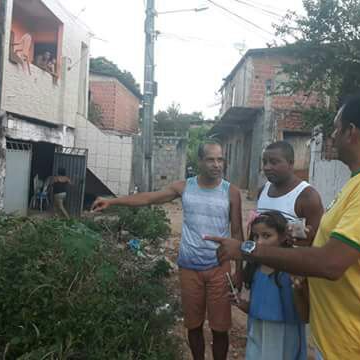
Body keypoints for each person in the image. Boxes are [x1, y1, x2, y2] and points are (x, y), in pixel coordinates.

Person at [205, 94, 360, 359]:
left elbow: (330, 263)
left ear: (351, 132)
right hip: (342, 338)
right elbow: (336, 248)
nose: (332, 135)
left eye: (337, 128)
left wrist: (247, 249)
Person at [91, 140, 244, 360]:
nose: (216, 165)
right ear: (199, 161)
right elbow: (149, 197)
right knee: (194, 325)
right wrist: (113, 202)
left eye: (220, 159)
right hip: (189, 268)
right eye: (211, 159)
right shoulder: (184, 187)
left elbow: (238, 234)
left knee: (220, 329)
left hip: (219, 268)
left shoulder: (232, 192)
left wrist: (239, 271)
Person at [232, 211, 308, 360]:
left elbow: (303, 315)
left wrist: (299, 290)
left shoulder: (291, 273)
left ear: (283, 237)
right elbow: (257, 310)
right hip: (257, 335)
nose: (259, 242)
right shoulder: (255, 269)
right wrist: (240, 303)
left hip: (284, 339)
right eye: (255, 236)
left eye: (266, 236)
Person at [258, 141, 324, 246]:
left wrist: (305, 235)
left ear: (290, 163)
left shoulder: (307, 196)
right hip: (260, 260)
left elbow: (316, 241)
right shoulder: (262, 190)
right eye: (265, 162)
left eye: (273, 162)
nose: (266, 167)